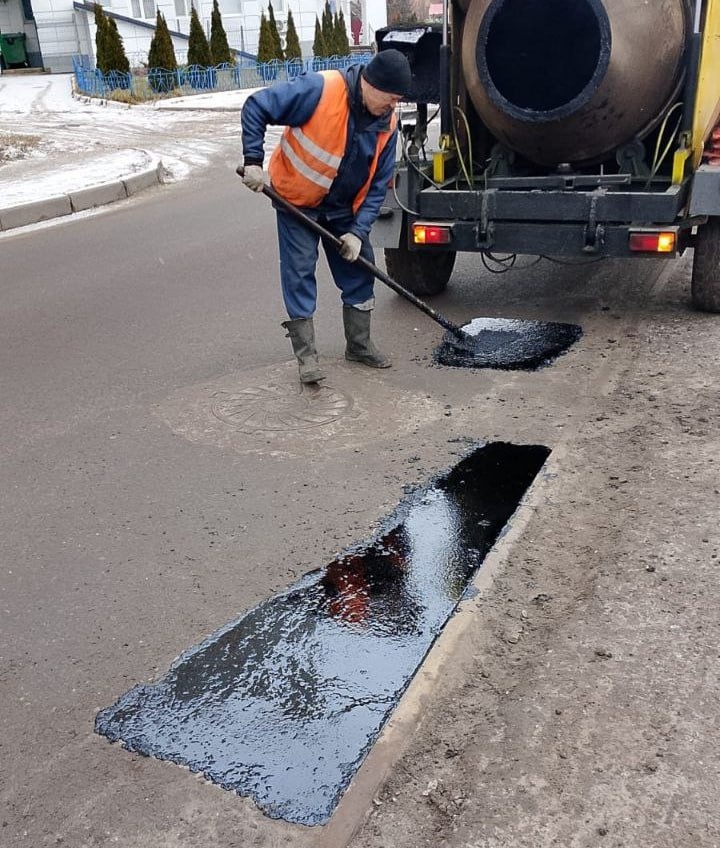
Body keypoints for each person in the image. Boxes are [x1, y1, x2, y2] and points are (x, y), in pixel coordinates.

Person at [240, 49, 413, 383]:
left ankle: (359, 346)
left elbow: (379, 187)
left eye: (398, 101)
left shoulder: (387, 127)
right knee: (300, 273)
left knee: (360, 270)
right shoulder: (321, 91)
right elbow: (256, 106)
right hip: (298, 203)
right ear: (370, 84)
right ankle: (307, 358)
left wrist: (357, 231)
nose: (393, 107)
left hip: (344, 211)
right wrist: (252, 161)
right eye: (390, 99)